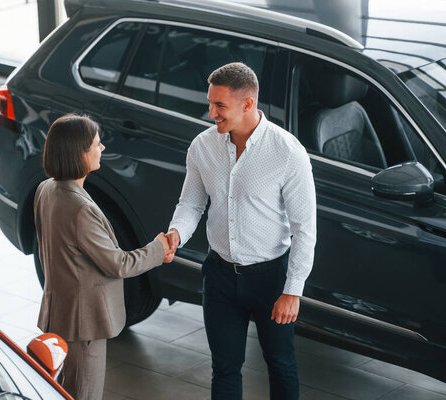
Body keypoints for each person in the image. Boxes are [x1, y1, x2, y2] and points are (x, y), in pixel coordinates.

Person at [165, 62, 317, 400]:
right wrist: (176, 233)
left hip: (271, 281)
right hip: (219, 277)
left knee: (280, 364)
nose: (211, 114)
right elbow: (191, 204)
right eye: (210, 103)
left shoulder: (288, 153)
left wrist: (292, 291)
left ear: (248, 104)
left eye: (220, 106)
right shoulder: (202, 147)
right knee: (224, 368)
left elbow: (304, 229)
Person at [34, 113, 173, 400]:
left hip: (58, 313)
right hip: (83, 323)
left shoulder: (45, 190)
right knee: (84, 394)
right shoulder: (79, 208)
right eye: (97, 144)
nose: (102, 148)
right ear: (79, 153)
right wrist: (159, 249)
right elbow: (118, 264)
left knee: (63, 390)